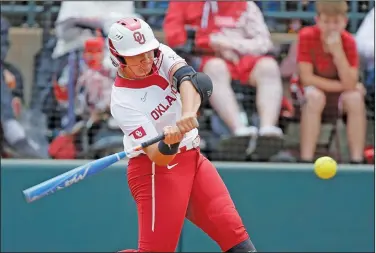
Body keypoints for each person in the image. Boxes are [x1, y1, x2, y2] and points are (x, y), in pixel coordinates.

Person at [108, 18, 256, 252]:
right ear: (119, 58)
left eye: (148, 52)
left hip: (194, 161)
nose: (146, 60)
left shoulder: (161, 55)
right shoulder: (122, 102)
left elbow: (190, 80)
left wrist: (186, 115)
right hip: (155, 172)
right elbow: (159, 156)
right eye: (137, 56)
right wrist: (171, 141)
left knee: (238, 241)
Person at [164, 1, 284, 158]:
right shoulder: (183, 3)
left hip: (245, 59)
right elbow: (175, 38)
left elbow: (264, 42)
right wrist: (212, 44)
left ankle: (267, 132)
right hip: (206, 58)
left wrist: (230, 45)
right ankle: (239, 132)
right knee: (216, 67)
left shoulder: (246, 5)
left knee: (269, 66)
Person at [297, 0, 366, 163]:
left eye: (336, 22)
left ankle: (357, 160)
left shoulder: (349, 42)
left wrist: (338, 53)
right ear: (317, 20)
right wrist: (343, 86)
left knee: (355, 99)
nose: (331, 27)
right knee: (316, 97)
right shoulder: (306, 36)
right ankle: (305, 160)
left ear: (345, 21)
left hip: (339, 98)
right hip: (311, 94)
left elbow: (350, 81)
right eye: (326, 21)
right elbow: (306, 78)